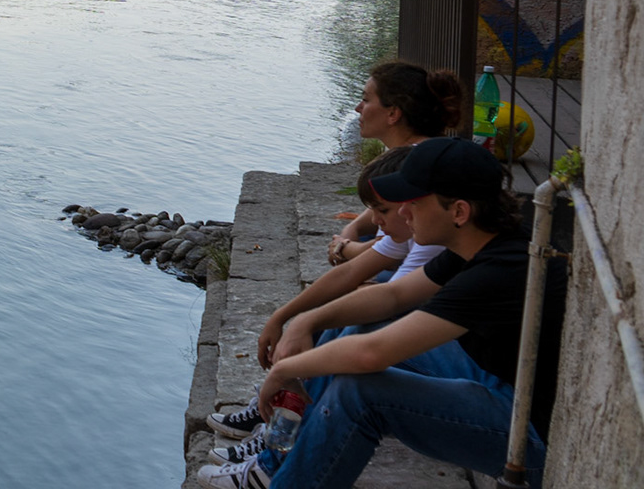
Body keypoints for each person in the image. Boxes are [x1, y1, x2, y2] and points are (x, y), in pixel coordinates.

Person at [196, 137, 562, 489]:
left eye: (414, 202)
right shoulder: (482, 242)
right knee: (360, 327)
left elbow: (373, 354)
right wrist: (306, 320)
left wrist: (284, 369)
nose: (403, 211)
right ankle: (280, 455)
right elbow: (393, 296)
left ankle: (282, 472)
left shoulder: (500, 270)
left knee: (360, 392)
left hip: (529, 435)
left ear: (459, 212)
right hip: (499, 380)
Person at [327, 62, 463, 268]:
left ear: (393, 114)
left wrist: (343, 247)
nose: (358, 108)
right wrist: (352, 229)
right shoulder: (418, 150)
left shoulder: (414, 166)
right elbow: (380, 211)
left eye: (366, 100)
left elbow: (391, 247)